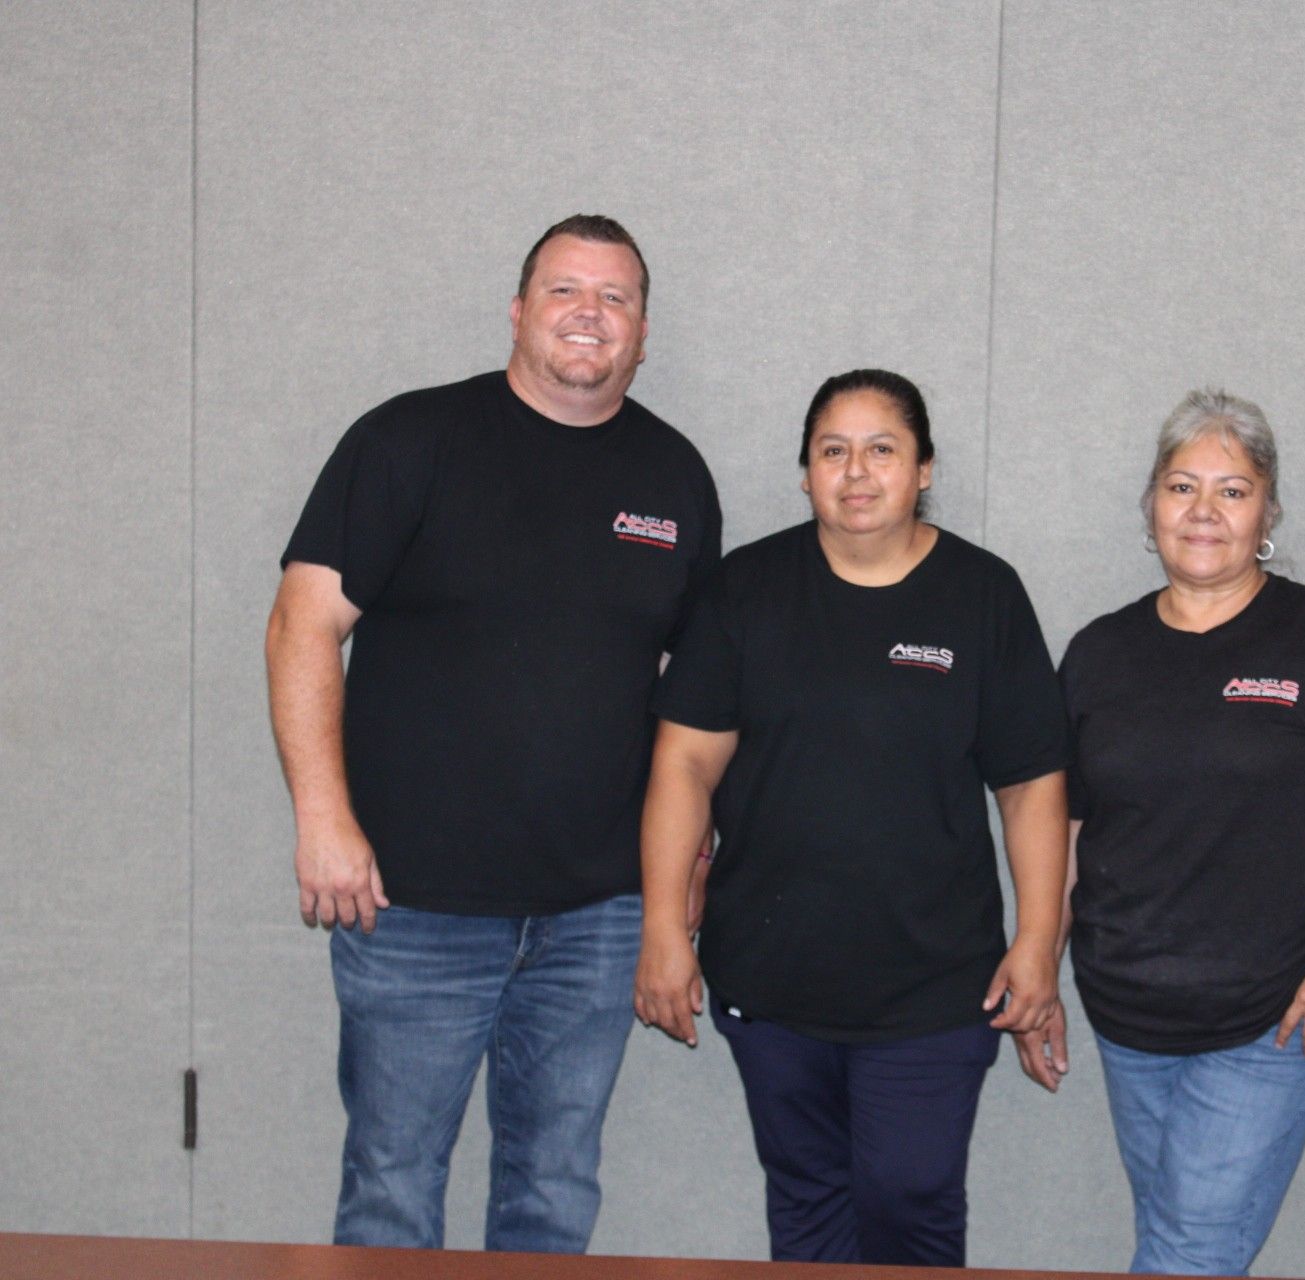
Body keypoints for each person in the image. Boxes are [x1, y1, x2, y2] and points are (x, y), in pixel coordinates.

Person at [265, 214, 720, 1252]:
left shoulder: (675, 480)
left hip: (597, 912)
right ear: (518, 310)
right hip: (414, 902)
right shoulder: (407, 441)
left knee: (553, 1187)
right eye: (565, 290)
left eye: (614, 297)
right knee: (391, 1181)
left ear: (643, 332)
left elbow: (698, 705)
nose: (588, 314)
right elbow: (302, 624)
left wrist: (690, 856)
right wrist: (323, 817)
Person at [633, 369, 1070, 1268]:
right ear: (805, 473)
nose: (856, 472)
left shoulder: (983, 596)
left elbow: (1031, 786)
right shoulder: (745, 591)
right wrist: (662, 930)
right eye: (833, 450)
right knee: (807, 1204)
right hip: (772, 976)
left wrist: (1039, 942)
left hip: (936, 983)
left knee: (909, 1195)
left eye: (882, 450)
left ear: (923, 470)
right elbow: (682, 762)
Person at [1014, 389, 1305, 1277]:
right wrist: (1040, 963)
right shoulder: (1099, 651)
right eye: (1181, 487)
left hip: (1275, 1013)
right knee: (1183, 1237)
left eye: (1233, 490)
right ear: (1150, 507)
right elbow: (1067, 823)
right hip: (1128, 1010)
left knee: (1188, 1253)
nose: (1204, 511)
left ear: (1268, 511)